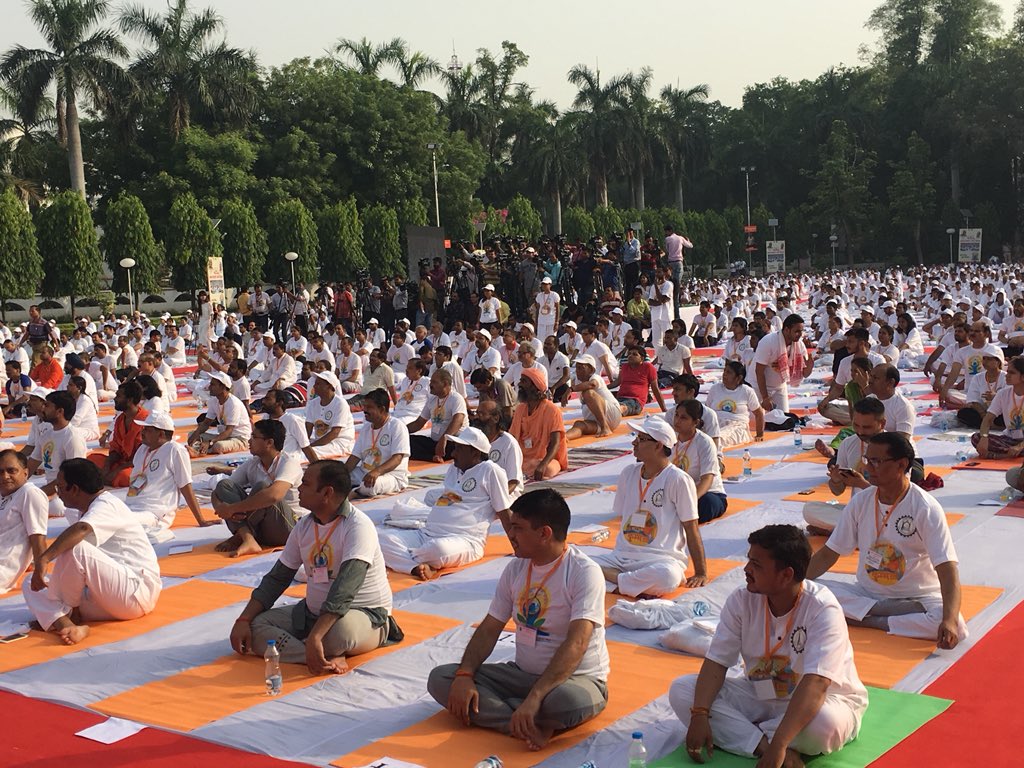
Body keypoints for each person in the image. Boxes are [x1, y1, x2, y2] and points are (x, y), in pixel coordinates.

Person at [426, 488, 609, 750]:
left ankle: (518, 713)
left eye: (518, 528)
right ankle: (526, 724)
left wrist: (536, 696)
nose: (510, 534)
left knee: (567, 703)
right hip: (521, 675)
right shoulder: (516, 568)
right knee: (442, 679)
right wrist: (465, 675)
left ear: (544, 533)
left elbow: (577, 644)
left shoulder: (584, 572)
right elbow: (490, 628)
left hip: (571, 680)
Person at [670, 524, 867, 766]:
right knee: (683, 690)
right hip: (759, 693)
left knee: (825, 724)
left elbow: (817, 684)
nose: (746, 569)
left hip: (821, 701)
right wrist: (700, 713)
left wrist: (781, 741)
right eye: (748, 560)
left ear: (786, 575)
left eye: (756, 564)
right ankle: (764, 745)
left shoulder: (822, 608)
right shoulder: (741, 600)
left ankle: (750, 735)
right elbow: (716, 663)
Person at [229, 460, 399, 674]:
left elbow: (345, 587)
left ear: (327, 493)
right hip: (312, 614)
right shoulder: (304, 525)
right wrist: (243, 619)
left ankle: (318, 645)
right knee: (253, 627)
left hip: (362, 614)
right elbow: (278, 578)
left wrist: (317, 635)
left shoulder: (357, 526)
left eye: (306, 483)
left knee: (340, 632)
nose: (299, 488)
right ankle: (316, 654)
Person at [807, 433, 966, 646]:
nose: (867, 468)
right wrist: (797, 583)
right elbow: (829, 553)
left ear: (901, 464)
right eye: (867, 460)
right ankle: (879, 613)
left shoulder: (925, 508)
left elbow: (947, 568)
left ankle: (867, 620)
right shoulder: (861, 501)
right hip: (867, 593)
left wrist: (949, 621)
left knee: (956, 626)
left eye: (876, 461)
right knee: (808, 590)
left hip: (916, 597)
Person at [23, 458, 162, 645]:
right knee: (31, 583)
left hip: (133, 593)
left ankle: (66, 614)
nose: (58, 493)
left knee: (75, 547)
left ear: (75, 489)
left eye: (60, 488)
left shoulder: (107, 505)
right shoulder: (84, 509)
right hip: (107, 597)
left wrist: (44, 559)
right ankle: (67, 624)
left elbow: (82, 530)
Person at [593, 417, 708, 597]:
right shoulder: (628, 473)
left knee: (668, 577)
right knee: (575, 561)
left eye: (641, 439)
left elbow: (691, 527)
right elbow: (622, 516)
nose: (634, 443)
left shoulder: (678, 479)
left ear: (658, 446)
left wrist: (701, 572)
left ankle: (612, 580)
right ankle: (627, 584)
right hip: (620, 558)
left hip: (659, 560)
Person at [378, 426, 513, 580]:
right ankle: (415, 567)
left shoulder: (490, 470)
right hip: (426, 533)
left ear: (475, 453)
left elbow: (504, 510)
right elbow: (450, 501)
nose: (453, 453)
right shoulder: (454, 469)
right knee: (379, 539)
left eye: (459, 449)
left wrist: (518, 546)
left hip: (464, 540)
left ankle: (410, 559)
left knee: (438, 550)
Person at [209, 419, 304, 557]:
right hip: (262, 529)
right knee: (224, 485)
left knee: (263, 488)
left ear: (269, 442)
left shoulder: (289, 463)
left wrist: (232, 509)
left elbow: (274, 496)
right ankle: (247, 538)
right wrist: (221, 508)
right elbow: (219, 491)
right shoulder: (253, 464)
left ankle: (240, 536)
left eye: (254, 437)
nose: (249, 441)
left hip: (288, 528)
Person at [806, 397, 888, 534]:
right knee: (809, 509)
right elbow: (837, 491)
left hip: (887, 512)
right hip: (857, 511)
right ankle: (852, 531)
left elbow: (899, 495)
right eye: (856, 425)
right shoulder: (849, 443)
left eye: (867, 427)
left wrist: (862, 484)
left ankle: (845, 532)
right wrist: (836, 480)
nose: (860, 432)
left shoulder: (895, 447)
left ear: (882, 423)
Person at [124, 411, 208, 540]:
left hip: (154, 512)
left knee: (118, 522)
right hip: (130, 506)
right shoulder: (142, 449)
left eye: (147, 430)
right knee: (102, 511)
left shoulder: (175, 450)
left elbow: (185, 485)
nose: (142, 432)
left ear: (161, 434)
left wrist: (201, 520)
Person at [28, 390, 87, 518]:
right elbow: (31, 464)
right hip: (49, 489)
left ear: (60, 411)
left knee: (50, 505)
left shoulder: (72, 438)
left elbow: (72, 476)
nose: (43, 408)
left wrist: (40, 493)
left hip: (66, 492)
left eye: (47, 405)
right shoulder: (46, 435)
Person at [344, 389, 411, 498]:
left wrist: (377, 472)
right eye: (364, 406)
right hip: (365, 473)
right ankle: (355, 488)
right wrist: (340, 474)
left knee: (371, 486)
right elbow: (355, 457)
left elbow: (397, 458)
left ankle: (354, 493)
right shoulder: (366, 428)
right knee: (337, 475)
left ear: (382, 409)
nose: (364, 410)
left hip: (391, 475)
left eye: (369, 407)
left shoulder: (397, 426)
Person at [672, 399, 728, 523]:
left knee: (706, 504)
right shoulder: (670, 439)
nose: (677, 420)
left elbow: (707, 479)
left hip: (705, 494)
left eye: (683, 418)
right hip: (678, 494)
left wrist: (689, 501)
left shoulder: (704, 442)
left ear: (696, 422)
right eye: (676, 415)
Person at [0, 449, 48, 593]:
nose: (5, 476)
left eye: (11, 471)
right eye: (0, 472)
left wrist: (40, 572)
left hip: (3, 568)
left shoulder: (29, 493)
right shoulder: (3, 494)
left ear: (25, 473)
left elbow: (38, 538)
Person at [509, 368, 568, 481]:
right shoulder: (520, 409)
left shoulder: (552, 410)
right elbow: (512, 438)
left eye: (524, 381)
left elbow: (555, 443)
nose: (519, 384)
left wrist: (543, 465)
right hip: (523, 458)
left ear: (534, 386)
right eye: (520, 380)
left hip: (545, 459)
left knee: (549, 469)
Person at [404, 369, 468, 463]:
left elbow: (458, 422)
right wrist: (401, 430)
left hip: (451, 442)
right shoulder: (432, 399)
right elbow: (418, 423)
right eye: (431, 382)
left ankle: (433, 456)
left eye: (434, 382)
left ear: (445, 384)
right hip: (435, 442)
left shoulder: (456, 398)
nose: (430, 385)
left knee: (455, 448)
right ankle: (433, 457)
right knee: (408, 441)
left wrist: (444, 438)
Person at [754, 313, 813, 413]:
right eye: (797, 331)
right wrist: (765, 397)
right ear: (786, 330)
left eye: (801, 331)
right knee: (757, 419)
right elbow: (759, 371)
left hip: (779, 386)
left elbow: (805, 374)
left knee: (784, 418)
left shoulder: (799, 345)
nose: (800, 334)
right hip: (759, 386)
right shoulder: (768, 341)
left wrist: (810, 366)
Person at [187, 371, 253, 455]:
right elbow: (206, 423)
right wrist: (195, 434)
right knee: (191, 434)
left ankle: (198, 450)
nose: (209, 387)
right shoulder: (214, 401)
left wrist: (210, 442)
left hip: (239, 438)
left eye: (213, 385)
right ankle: (200, 448)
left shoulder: (233, 403)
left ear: (223, 387)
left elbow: (229, 431)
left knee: (219, 446)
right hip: (225, 437)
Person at [972, 354, 1024, 459]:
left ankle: (1000, 455)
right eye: (1007, 372)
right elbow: (987, 419)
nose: (1007, 375)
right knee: (976, 437)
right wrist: (984, 437)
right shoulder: (1003, 394)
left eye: (1012, 373)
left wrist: (1020, 446)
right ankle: (1009, 454)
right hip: (1009, 439)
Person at [706, 361, 765, 447]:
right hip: (715, 423)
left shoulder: (747, 391)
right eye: (724, 371)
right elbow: (707, 410)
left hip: (737, 426)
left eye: (729, 372)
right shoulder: (715, 388)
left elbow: (759, 413)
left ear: (739, 378)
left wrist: (759, 435)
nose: (724, 374)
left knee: (718, 438)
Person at [473, 399, 525, 498]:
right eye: (477, 413)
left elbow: (513, 482)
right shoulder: (475, 440)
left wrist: (492, 499)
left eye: (482, 414)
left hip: (505, 495)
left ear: (496, 418)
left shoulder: (508, 443)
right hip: (479, 493)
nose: (477, 417)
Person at [565, 356, 622, 440]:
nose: (577, 371)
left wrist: (571, 389)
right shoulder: (578, 382)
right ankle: (563, 438)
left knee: (588, 393)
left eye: (581, 368)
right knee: (579, 424)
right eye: (577, 368)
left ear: (591, 370)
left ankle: (605, 427)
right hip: (595, 421)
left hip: (611, 414)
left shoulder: (595, 377)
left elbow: (592, 384)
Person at [304, 371, 356, 458]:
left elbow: (334, 433)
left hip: (340, 443)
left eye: (318, 384)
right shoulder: (313, 404)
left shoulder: (340, 404)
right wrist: (304, 444)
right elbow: (308, 428)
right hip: (321, 442)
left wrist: (309, 447)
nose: (314, 386)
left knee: (307, 453)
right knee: (294, 448)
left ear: (329, 386)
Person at [867, 363, 916, 439]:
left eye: (876, 378)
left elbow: (902, 440)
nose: (870, 381)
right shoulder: (869, 399)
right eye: (870, 376)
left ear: (890, 382)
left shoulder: (903, 406)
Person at [616, 345, 666, 417]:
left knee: (620, 408)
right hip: (620, 398)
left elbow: (655, 389)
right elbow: (617, 382)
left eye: (634, 354)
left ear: (642, 358)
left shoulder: (648, 367)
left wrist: (664, 410)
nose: (630, 356)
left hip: (635, 401)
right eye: (629, 354)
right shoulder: (624, 367)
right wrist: (603, 387)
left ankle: (613, 412)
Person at [540, 335, 572, 406]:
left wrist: (554, 387)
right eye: (545, 343)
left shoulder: (563, 358)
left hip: (559, 387)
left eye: (549, 344)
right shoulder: (541, 359)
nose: (545, 346)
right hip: (547, 387)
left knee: (564, 388)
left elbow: (567, 376)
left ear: (556, 346)